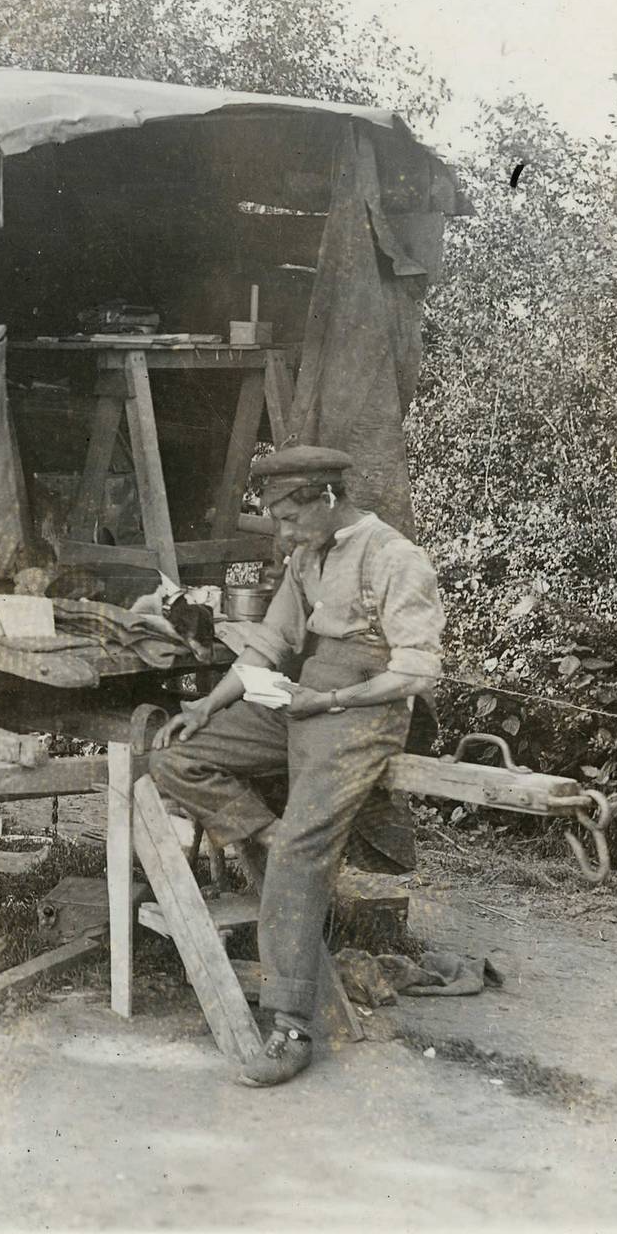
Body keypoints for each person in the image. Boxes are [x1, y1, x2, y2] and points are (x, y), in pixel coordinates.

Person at [149, 446, 445, 1088]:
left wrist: (333, 698)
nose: (281, 534)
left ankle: (289, 1026)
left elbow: (416, 671)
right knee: (174, 756)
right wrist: (206, 706)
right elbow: (268, 645)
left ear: (328, 498)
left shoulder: (395, 558)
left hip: (364, 714)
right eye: (275, 520)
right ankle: (266, 831)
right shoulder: (306, 558)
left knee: (300, 855)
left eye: (288, 518)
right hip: (304, 701)